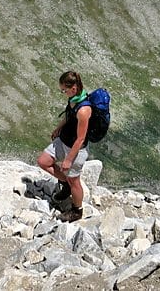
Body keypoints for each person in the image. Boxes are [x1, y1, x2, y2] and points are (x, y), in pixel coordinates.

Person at [37, 71, 92, 222]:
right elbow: (69, 116)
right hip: (64, 140)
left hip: (76, 149)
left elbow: (81, 138)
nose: (63, 93)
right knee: (43, 161)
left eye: (64, 90)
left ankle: (77, 210)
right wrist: (58, 128)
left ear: (73, 88)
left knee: (74, 180)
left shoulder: (84, 110)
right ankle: (65, 185)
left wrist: (68, 159)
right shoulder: (74, 99)